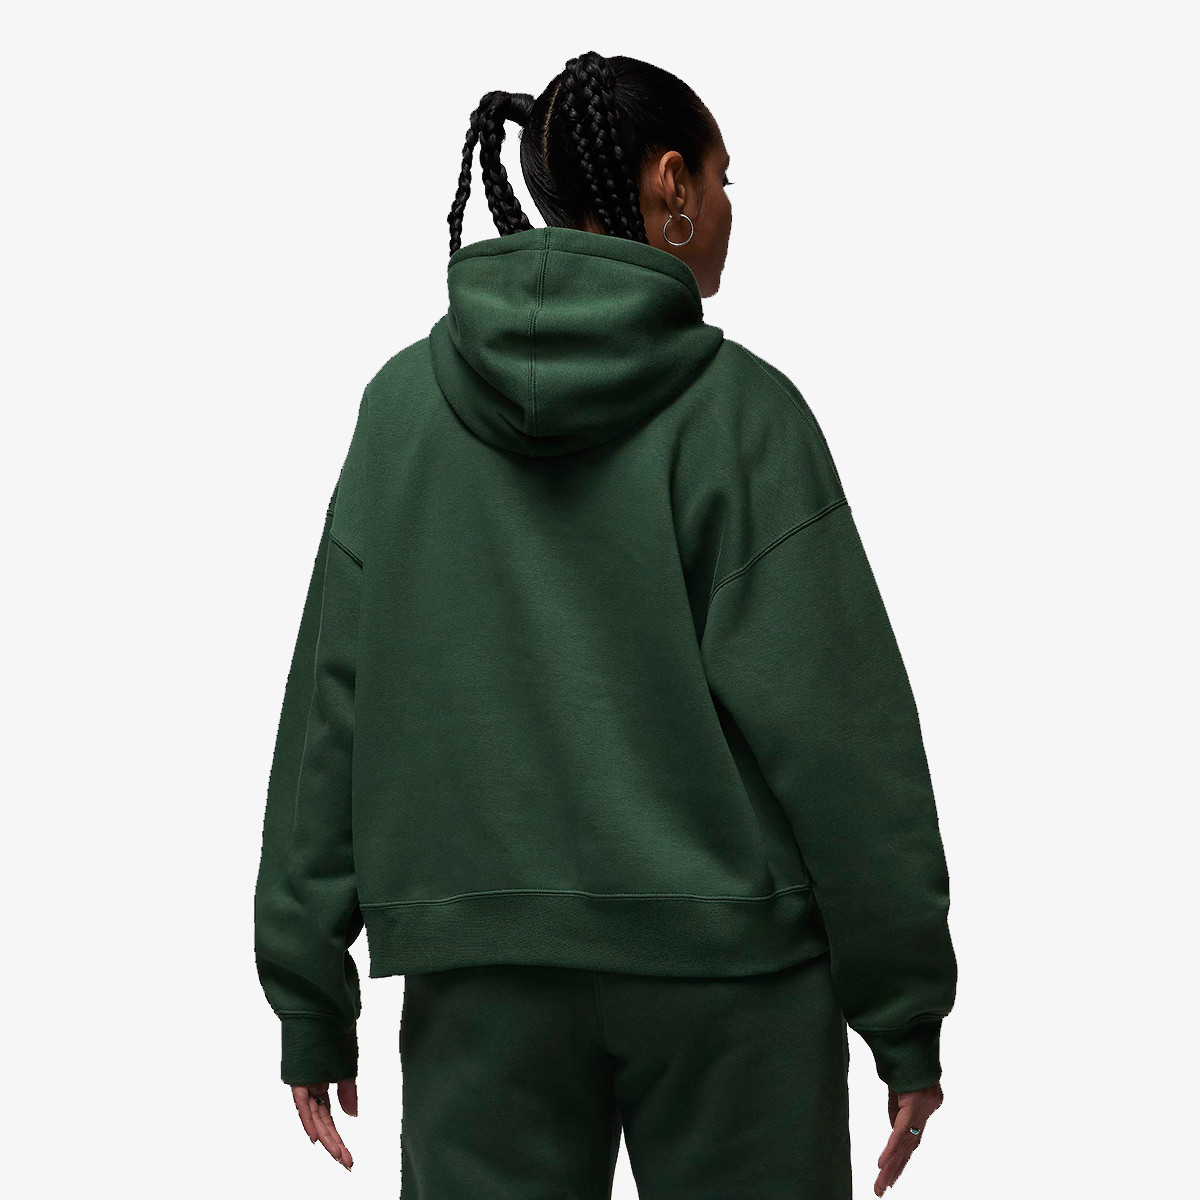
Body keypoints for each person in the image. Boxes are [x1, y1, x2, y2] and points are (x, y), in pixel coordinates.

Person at [253, 50, 957, 1200]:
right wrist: (905, 1009)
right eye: (724, 181)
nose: (727, 210)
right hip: (734, 979)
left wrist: (306, 989)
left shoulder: (402, 413)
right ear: (671, 184)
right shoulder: (742, 416)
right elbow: (842, 737)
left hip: (482, 975)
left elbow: (331, 707)